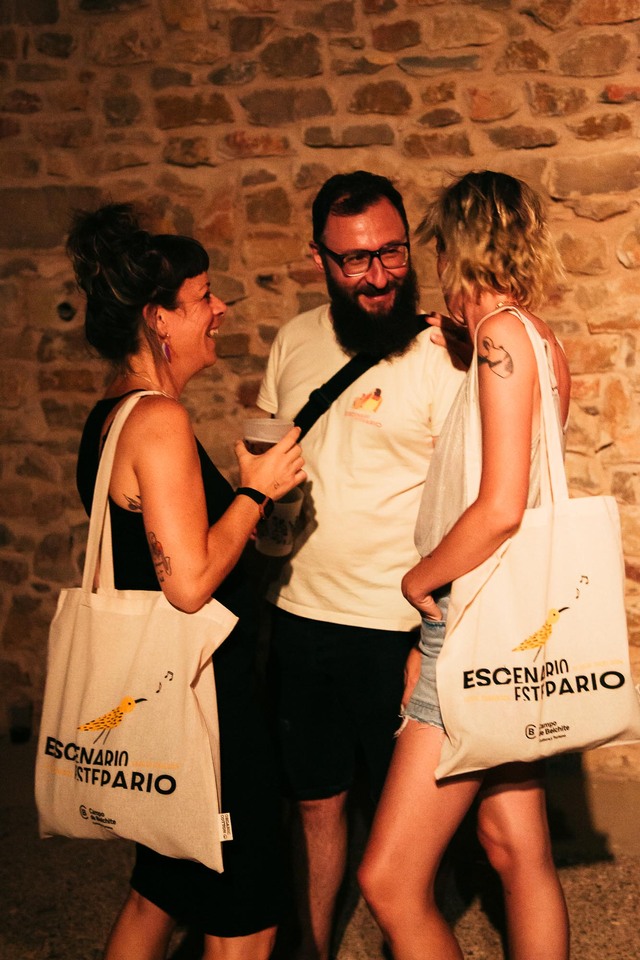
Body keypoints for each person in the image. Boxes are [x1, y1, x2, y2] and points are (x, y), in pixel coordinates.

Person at [67, 203, 306, 960]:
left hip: (157, 696)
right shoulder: (160, 420)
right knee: (246, 918)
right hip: (204, 704)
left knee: (160, 893)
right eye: (203, 296)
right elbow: (189, 583)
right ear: (158, 319)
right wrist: (257, 491)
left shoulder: (110, 415)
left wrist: (241, 510)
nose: (220, 308)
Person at [358, 170, 571, 960]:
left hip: (473, 621)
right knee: (518, 850)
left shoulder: (501, 339)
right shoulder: (539, 338)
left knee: (388, 880)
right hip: (514, 621)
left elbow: (502, 506)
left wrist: (418, 583)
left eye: (440, 250)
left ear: (461, 247)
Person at [256, 171, 465, 960]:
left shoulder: (443, 352)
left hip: (398, 629)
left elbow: (467, 501)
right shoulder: (294, 341)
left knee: (404, 833)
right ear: (320, 259)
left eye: (392, 253)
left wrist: (435, 635)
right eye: (355, 260)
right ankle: (314, 949)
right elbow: (268, 450)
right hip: (301, 616)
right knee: (315, 804)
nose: (378, 276)